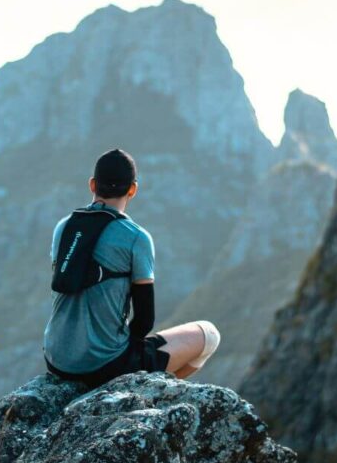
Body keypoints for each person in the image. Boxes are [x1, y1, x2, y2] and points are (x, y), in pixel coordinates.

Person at [43, 148, 220, 388]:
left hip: (56, 360)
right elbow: (144, 320)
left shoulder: (63, 227)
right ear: (133, 189)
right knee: (209, 335)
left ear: (92, 185)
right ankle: (152, 394)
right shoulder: (136, 237)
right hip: (103, 366)